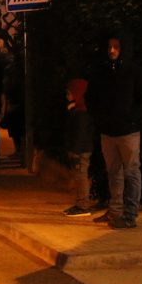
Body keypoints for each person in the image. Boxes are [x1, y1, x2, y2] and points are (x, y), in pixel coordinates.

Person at [87, 33, 142, 228]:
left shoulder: (134, 72)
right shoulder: (101, 72)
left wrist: (131, 118)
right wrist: (100, 118)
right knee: (113, 172)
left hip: (128, 132)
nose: (112, 51)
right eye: (109, 47)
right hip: (108, 132)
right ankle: (115, 210)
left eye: (116, 47)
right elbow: (92, 97)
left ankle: (130, 215)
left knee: (131, 172)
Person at [62, 78, 96, 217]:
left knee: (81, 176)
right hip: (79, 149)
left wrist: (75, 152)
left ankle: (83, 205)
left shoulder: (82, 113)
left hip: (80, 150)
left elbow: (80, 134)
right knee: (79, 176)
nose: (67, 95)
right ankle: (80, 203)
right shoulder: (78, 109)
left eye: (69, 92)